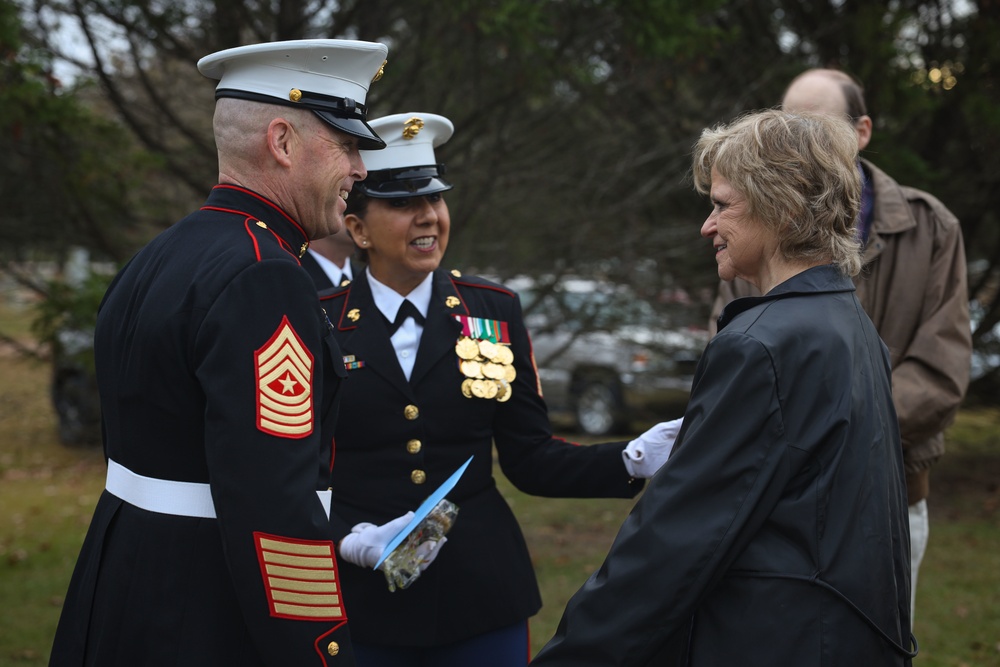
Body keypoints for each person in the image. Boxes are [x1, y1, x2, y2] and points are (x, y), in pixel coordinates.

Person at [49, 39, 391, 667]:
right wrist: (318, 647)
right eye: (346, 145)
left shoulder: (158, 256)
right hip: (205, 608)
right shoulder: (267, 276)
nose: (362, 170)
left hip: (119, 580)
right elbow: (275, 503)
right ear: (282, 142)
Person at [531, 109, 916, 666]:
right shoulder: (850, 325)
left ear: (780, 205)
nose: (706, 227)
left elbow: (677, 541)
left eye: (721, 205)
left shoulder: (762, 347)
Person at [316, 111, 681, 667]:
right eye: (403, 204)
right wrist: (344, 537)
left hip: (478, 595)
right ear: (358, 229)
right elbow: (291, 465)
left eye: (435, 200)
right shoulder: (317, 320)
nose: (429, 217)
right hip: (362, 599)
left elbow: (531, 459)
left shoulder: (493, 309)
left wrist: (632, 460)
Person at [708, 68, 972, 620]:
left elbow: (941, 367)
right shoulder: (752, 225)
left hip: (892, 492)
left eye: (819, 124)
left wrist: (836, 438)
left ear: (864, 132)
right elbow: (731, 343)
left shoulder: (931, 228)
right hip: (775, 500)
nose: (800, 137)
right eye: (786, 123)